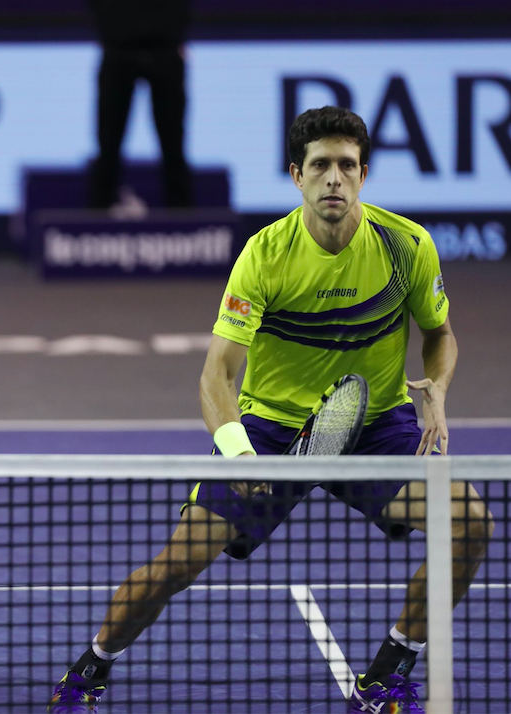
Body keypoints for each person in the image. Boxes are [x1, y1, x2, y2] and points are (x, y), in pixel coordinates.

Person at [48, 106, 493, 714]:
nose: (333, 178)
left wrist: (438, 387)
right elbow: (217, 376)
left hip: (374, 426)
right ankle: (87, 675)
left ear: (364, 174)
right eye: (320, 166)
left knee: (470, 523)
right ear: (296, 175)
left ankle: (389, 673)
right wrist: (239, 453)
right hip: (272, 430)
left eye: (346, 165)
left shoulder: (406, 245)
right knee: (178, 562)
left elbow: (440, 334)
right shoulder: (265, 256)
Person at [87, 0, 193, 211]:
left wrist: (174, 27)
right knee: (108, 141)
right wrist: (110, 25)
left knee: (173, 141)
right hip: (118, 46)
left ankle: (184, 221)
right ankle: (97, 219)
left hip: (165, 47)